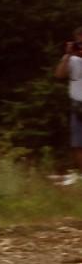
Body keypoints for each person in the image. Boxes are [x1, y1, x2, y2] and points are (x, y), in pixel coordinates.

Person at [54, 26, 82, 182]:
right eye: (80, 42)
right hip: (78, 106)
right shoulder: (71, 59)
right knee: (78, 143)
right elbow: (59, 75)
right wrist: (67, 55)